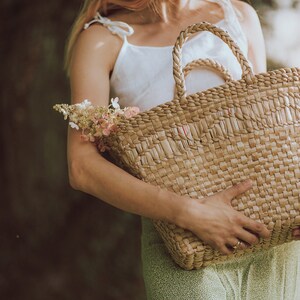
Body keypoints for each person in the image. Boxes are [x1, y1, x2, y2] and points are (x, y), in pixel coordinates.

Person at [64, 0, 300, 298]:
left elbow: (267, 134)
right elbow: (82, 167)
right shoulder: (103, 39)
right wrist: (188, 213)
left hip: (268, 238)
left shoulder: (239, 15)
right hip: (180, 242)